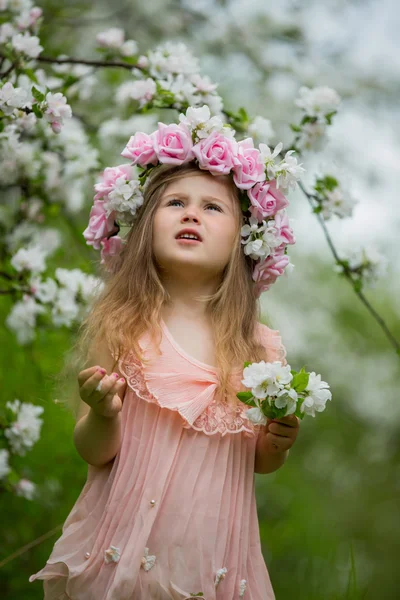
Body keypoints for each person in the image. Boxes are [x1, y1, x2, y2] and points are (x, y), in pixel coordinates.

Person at [29, 113, 301, 599]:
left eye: (213, 208)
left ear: (244, 241)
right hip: (121, 553)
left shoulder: (260, 350)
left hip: (210, 562)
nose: (192, 214)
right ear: (146, 227)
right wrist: (101, 412)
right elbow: (95, 452)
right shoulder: (124, 328)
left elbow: (257, 461)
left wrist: (277, 443)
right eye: (176, 203)